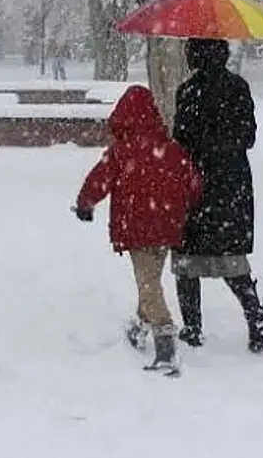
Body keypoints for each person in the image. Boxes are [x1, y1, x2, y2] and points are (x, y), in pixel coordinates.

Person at [74, 84, 202, 374]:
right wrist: (183, 206)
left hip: (137, 227)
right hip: (167, 226)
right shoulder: (171, 149)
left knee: (148, 285)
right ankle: (138, 327)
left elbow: (99, 180)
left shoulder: (122, 151)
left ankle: (165, 342)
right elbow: (193, 183)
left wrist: (85, 204)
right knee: (151, 282)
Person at [172, 38, 263, 353]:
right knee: (231, 256)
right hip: (231, 182)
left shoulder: (188, 92)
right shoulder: (238, 87)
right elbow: (249, 136)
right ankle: (255, 315)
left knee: (187, 256)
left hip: (197, 182)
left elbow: (181, 140)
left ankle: (192, 327)